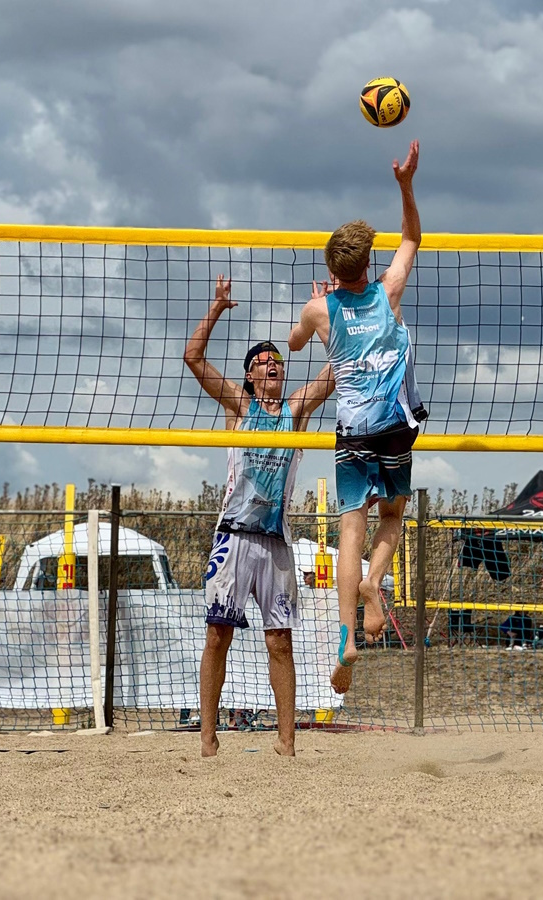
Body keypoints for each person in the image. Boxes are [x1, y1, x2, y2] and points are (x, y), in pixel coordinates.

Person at [289, 140, 425, 695]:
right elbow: (412, 237)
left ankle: (346, 636)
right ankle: (375, 581)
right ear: (367, 263)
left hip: (351, 427)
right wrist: (405, 185)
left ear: (331, 269)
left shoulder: (319, 309)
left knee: (351, 527)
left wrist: (317, 307)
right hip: (394, 425)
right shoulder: (388, 291)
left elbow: (294, 345)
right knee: (391, 516)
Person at [184, 277, 335, 758]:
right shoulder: (240, 404)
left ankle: (286, 744)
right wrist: (216, 307)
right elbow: (193, 358)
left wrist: (329, 309)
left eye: (278, 361)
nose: (273, 365)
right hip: (233, 536)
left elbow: (338, 368)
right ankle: (208, 740)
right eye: (264, 362)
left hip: (275, 540)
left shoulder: (294, 409)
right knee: (218, 635)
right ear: (250, 375)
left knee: (279, 642)